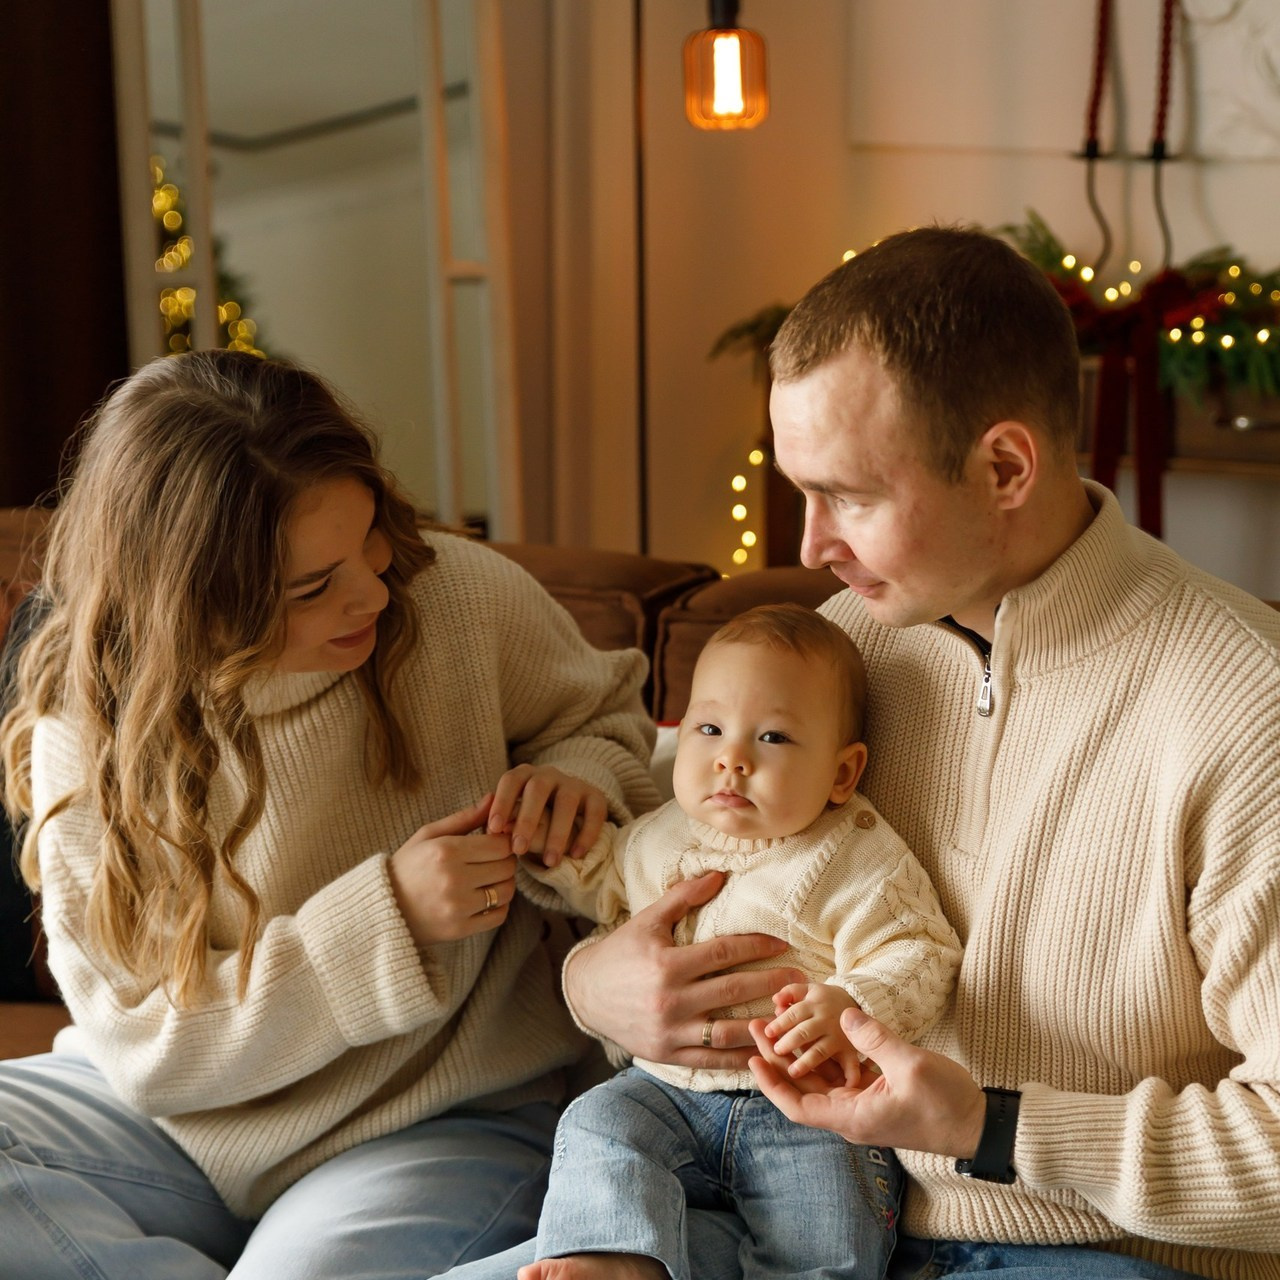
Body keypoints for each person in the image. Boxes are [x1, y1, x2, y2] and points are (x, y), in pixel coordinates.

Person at [460, 224, 1280, 1280]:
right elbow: (668, 860)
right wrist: (593, 982)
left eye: (846, 494)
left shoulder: (1241, 709)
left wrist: (990, 1123)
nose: (807, 548)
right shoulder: (835, 650)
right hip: (786, 1195)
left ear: (1002, 466)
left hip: (1093, 1250)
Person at [0, 348, 661, 1279]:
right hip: (174, 1125)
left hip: (439, 1117)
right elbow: (143, 1050)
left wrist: (579, 780)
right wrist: (387, 921)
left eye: (368, 544)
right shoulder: (90, 720)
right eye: (312, 588)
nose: (372, 593)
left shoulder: (458, 601)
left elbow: (604, 718)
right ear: (196, 606)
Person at [512, 603, 961, 1280]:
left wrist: (847, 1003)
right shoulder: (658, 835)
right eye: (711, 728)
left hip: (806, 1112)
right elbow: (607, 881)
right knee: (599, 1123)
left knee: (823, 1238)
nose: (732, 759)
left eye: (773, 738)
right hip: (664, 1092)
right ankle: (619, 1257)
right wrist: (560, 855)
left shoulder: (854, 857)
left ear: (842, 774)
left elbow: (923, 955)